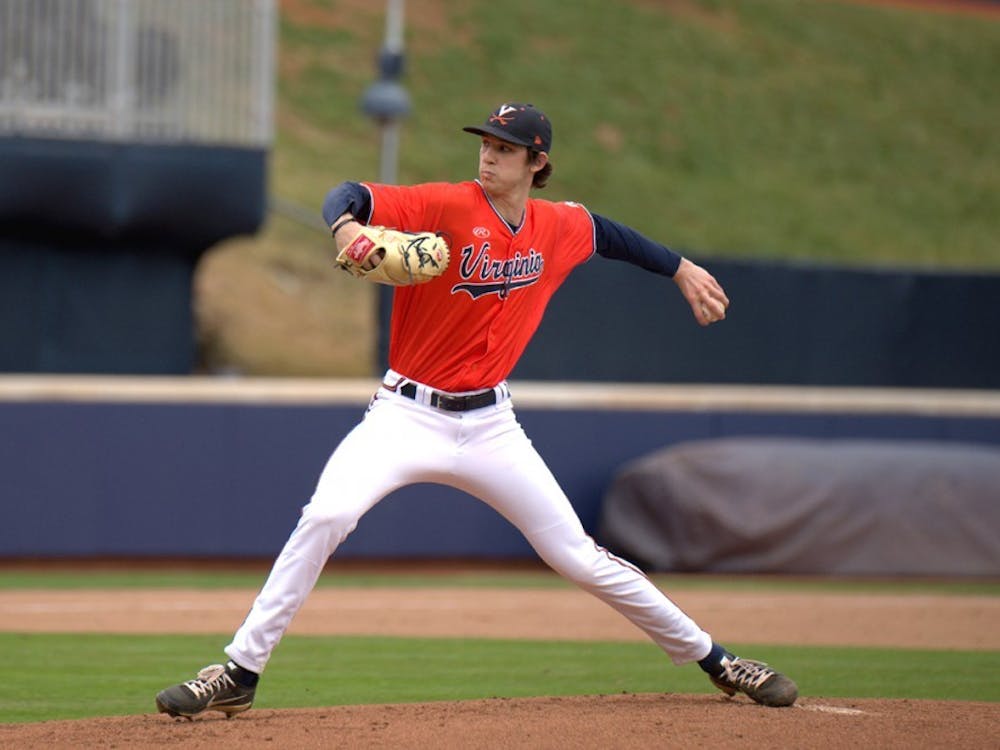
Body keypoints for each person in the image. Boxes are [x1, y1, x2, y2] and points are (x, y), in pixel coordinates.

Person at [155, 102, 797, 719]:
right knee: (326, 515)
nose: (488, 158)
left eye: (504, 149)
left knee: (577, 555)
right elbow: (347, 191)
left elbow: (611, 235)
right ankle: (239, 672)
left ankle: (718, 660)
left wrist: (681, 268)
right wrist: (349, 228)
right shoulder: (444, 204)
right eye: (486, 145)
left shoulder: (557, 225)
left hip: (491, 425)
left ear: (536, 163)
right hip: (404, 414)